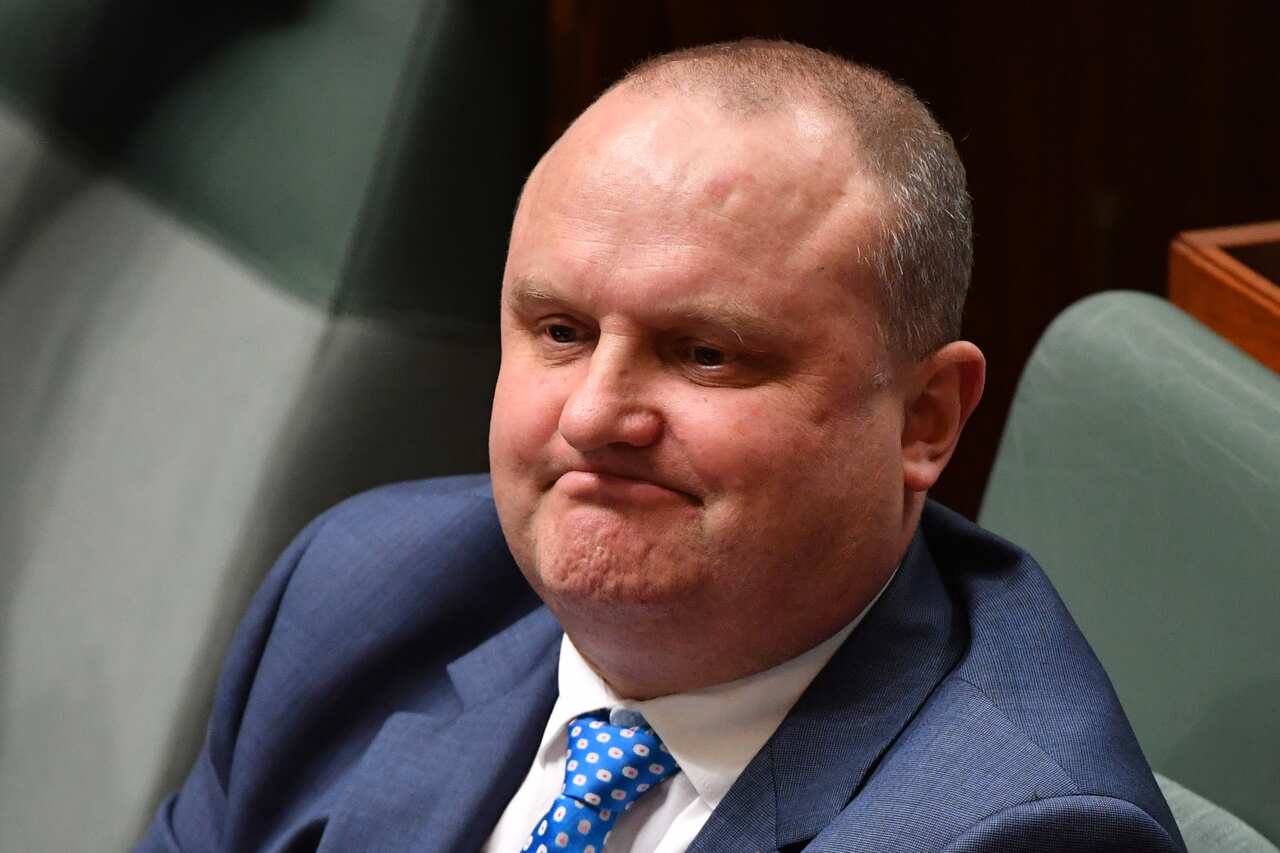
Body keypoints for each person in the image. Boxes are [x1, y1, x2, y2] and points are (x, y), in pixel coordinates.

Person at [137, 40, 1185, 852]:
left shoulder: (1010, 831)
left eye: (703, 353)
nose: (595, 415)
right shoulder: (360, 594)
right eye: (560, 332)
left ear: (924, 420)